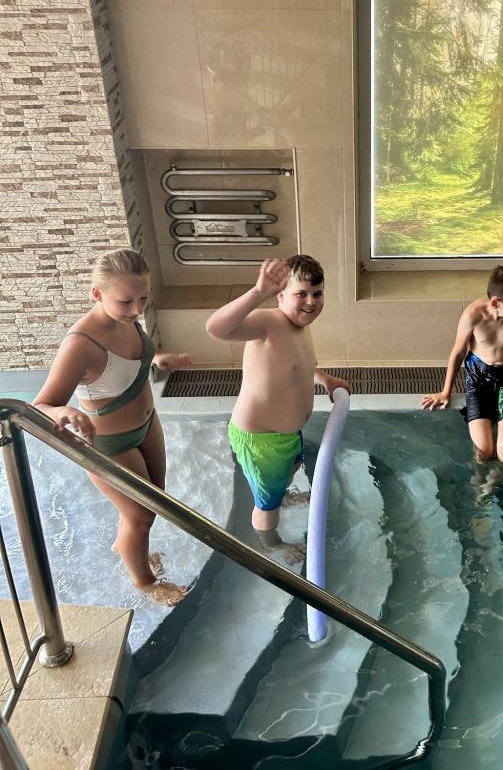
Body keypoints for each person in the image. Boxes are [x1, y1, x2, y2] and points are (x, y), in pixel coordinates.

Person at [33, 249, 193, 606]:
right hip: (110, 442)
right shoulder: (80, 345)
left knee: (155, 500)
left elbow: (128, 359)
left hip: (147, 424)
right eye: (126, 301)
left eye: (143, 299)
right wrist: (62, 411)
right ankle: (144, 581)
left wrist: (158, 358)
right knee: (142, 515)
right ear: (97, 293)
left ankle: (127, 544)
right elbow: (39, 406)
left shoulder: (126, 319)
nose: (137, 309)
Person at [205, 255, 350, 563]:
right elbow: (216, 328)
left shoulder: (300, 326)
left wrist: (324, 378)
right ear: (281, 295)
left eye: (317, 293)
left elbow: (299, 365)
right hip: (261, 441)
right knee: (266, 505)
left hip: (285, 435)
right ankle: (271, 543)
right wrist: (258, 292)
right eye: (301, 294)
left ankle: (282, 496)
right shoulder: (268, 323)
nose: (311, 302)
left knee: (288, 473)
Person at [421, 265, 503, 469]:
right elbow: (458, 352)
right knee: (484, 451)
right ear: (496, 302)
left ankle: (495, 481)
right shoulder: (473, 315)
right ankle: (480, 483)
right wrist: (445, 392)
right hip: (478, 377)